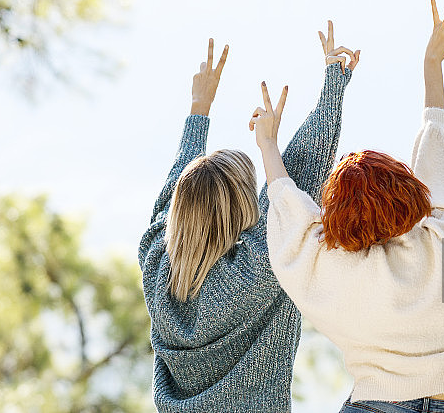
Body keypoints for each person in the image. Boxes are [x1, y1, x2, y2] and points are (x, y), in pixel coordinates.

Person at [251, 0, 444, 413]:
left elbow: (291, 218)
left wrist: (268, 145)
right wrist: (432, 65)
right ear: (410, 190)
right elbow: (439, 151)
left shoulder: (335, 273)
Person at [139, 25, 361, 412]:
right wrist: (332, 87)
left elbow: (170, 197)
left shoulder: (156, 264)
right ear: (245, 208)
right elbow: (297, 185)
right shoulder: (258, 267)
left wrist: (199, 109)